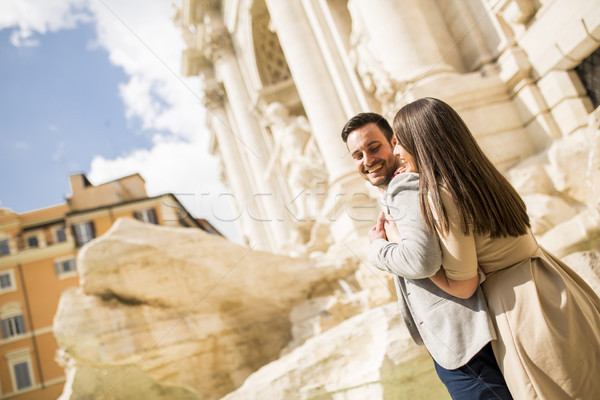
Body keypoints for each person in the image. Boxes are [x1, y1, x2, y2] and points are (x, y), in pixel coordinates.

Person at [379, 97, 600, 399]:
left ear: (420, 142)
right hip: (557, 284)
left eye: (399, 142)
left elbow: (464, 286)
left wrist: (403, 248)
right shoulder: (483, 176)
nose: (395, 152)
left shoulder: (440, 195)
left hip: (522, 310)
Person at [341, 113, 512, 399]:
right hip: (459, 341)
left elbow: (422, 261)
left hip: (462, 341)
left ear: (393, 142)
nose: (367, 160)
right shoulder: (402, 188)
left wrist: (377, 249)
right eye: (358, 154)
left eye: (374, 147)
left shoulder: (403, 187)